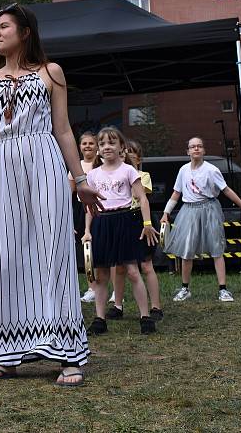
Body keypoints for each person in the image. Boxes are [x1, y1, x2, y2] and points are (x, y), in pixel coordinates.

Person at [0, 3, 103, 387]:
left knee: (53, 254)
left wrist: (80, 180)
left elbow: (64, 130)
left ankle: (67, 355)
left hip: (45, 164)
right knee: (8, 258)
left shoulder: (51, 73)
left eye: (4, 27)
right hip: (5, 169)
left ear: (25, 32)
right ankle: (6, 355)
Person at [161, 136, 241, 302]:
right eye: (193, 147)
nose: (196, 149)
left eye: (199, 146)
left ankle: (223, 290)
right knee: (186, 251)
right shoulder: (183, 170)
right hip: (189, 211)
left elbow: (227, 190)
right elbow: (176, 193)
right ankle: (185, 288)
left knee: (216, 249)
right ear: (188, 151)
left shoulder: (211, 170)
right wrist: (166, 213)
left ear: (204, 150)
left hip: (209, 209)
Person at [81, 127, 159, 335]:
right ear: (98, 149)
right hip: (102, 224)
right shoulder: (93, 175)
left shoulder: (129, 170)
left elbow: (142, 198)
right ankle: (99, 319)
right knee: (101, 275)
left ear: (121, 147)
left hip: (125, 221)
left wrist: (147, 223)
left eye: (112, 143)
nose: (107, 147)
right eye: (103, 144)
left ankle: (145, 317)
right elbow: (90, 207)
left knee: (133, 271)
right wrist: (87, 231)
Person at [108, 139, 164, 322]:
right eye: (123, 151)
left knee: (146, 265)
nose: (125, 154)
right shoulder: (115, 174)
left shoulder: (142, 175)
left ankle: (156, 306)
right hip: (120, 222)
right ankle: (117, 305)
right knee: (119, 266)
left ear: (138, 158)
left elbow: (139, 194)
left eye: (130, 152)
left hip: (139, 220)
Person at [69, 131, 100, 303]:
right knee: (86, 249)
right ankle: (91, 288)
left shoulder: (101, 164)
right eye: (84, 143)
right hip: (81, 210)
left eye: (91, 143)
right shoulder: (76, 165)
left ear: (97, 146)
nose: (87, 146)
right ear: (80, 147)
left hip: (101, 209)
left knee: (102, 248)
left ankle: (113, 292)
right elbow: (69, 192)